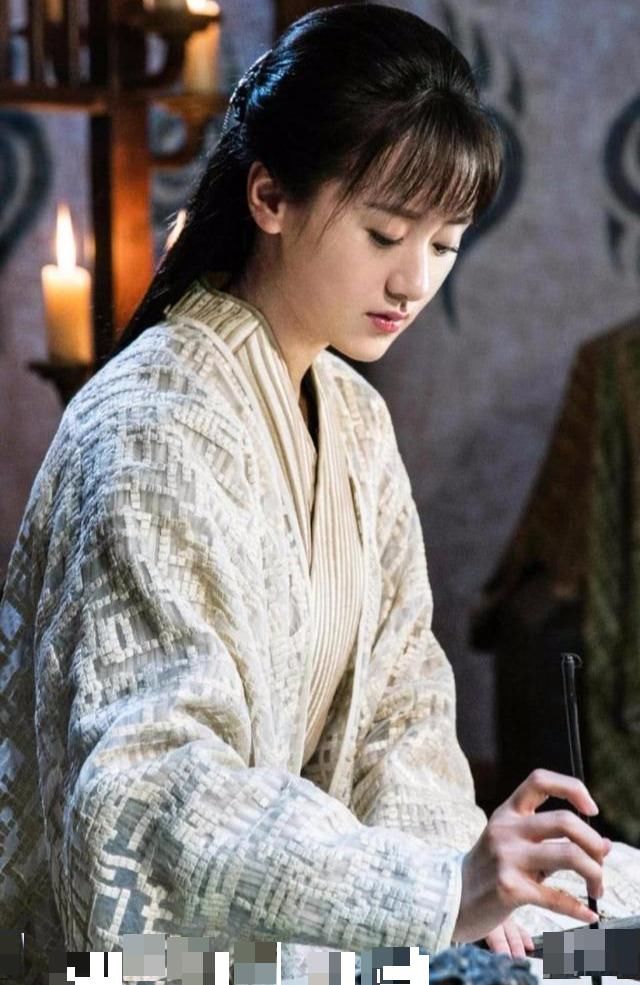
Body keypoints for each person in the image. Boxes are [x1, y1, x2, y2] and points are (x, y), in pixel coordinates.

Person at [2, 4, 639, 983]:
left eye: (444, 243)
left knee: (613, 908)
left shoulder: (352, 417)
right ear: (270, 196)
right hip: (168, 953)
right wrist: (434, 891)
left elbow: (402, 714)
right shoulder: (154, 422)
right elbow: (153, 793)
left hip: (337, 918)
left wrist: (469, 884)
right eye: (385, 232)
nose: (413, 280)